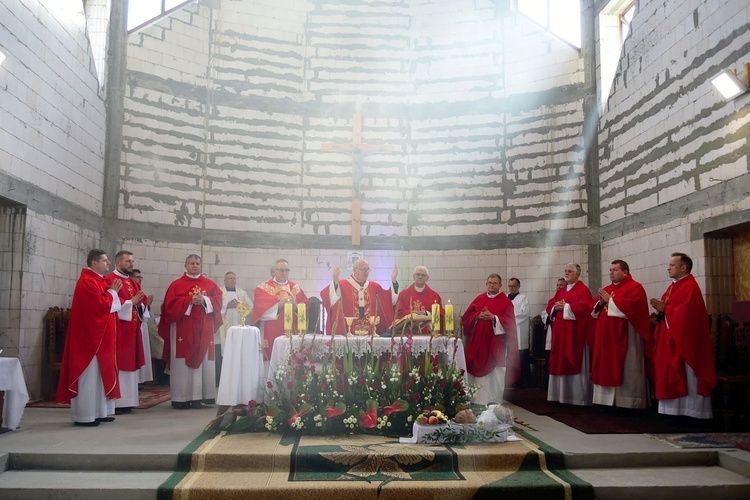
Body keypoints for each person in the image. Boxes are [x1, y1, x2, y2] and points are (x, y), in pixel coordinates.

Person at [56, 249, 122, 426]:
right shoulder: (86, 282)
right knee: (88, 377)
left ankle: (100, 412)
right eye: (105, 260)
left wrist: (111, 293)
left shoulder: (98, 281)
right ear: (94, 263)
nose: (108, 264)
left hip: (102, 338)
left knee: (100, 376)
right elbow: (98, 306)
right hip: (89, 339)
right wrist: (113, 293)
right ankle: (84, 416)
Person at [649, 253, 716, 419]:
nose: (668, 268)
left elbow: (686, 317)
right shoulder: (674, 286)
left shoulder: (690, 287)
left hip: (685, 344)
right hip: (670, 340)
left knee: (688, 378)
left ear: (683, 267)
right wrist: (660, 312)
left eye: (672, 265)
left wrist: (665, 310)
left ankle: (691, 413)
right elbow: (667, 310)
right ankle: (673, 413)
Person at [159, 254, 223, 409]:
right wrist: (189, 301)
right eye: (192, 263)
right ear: (185, 266)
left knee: (204, 361)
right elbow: (169, 307)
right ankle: (181, 398)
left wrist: (206, 300)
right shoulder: (176, 285)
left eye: (198, 263)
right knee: (182, 362)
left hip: (204, 329)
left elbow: (219, 301)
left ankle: (201, 397)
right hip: (183, 329)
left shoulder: (210, 284)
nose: (195, 266)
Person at [590, 260, 653, 409]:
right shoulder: (607, 288)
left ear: (625, 272)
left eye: (615, 270)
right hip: (607, 339)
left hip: (627, 336)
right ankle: (605, 401)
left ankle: (629, 401)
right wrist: (600, 303)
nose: (611, 273)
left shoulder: (635, 287)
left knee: (627, 366)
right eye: (610, 270)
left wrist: (610, 300)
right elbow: (593, 309)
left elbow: (634, 308)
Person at [462, 274, 520, 405]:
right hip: (478, 344)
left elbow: (510, 323)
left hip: (495, 345)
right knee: (475, 373)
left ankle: (492, 402)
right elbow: (466, 318)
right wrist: (478, 315)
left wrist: (494, 318)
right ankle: (475, 400)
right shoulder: (479, 299)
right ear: (486, 284)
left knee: (495, 374)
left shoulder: (506, 302)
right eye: (489, 283)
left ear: (500, 285)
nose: (491, 285)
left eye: (494, 283)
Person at [106, 252, 149, 415]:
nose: (131, 264)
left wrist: (139, 305)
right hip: (118, 330)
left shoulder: (133, 282)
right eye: (127, 261)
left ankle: (128, 401)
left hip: (132, 330)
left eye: (132, 261)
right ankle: (117, 402)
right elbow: (108, 303)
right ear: (118, 262)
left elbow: (141, 303)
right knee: (120, 363)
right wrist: (130, 302)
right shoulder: (110, 280)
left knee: (130, 364)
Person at [546, 263, 594, 406]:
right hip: (560, 333)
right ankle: (559, 396)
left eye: (570, 271)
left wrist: (566, 307)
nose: (567, 273)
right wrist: (556, 307)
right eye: (566, 271)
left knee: (575, 360)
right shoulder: (562, 290)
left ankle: (577, 398)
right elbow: (551, 304)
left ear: (577, 274)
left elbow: (585, 308)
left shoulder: (583, 290)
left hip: (575, 334)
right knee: (559, 361)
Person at [321, 259, 398, 336]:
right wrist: (335, 282)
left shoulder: (375, 287)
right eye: (363, 269)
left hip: (370, 336)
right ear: (354, 270)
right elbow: (330, 299)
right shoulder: (342, 285)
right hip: (347, 337)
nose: (366, 272)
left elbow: (389, 300)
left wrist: (394, 281)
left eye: (368, 269)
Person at [252, 259, 308, 360]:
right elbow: (260, 311)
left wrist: (296, 307)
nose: (284, 273)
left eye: (287, 270)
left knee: (291, 361)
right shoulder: (263, 288)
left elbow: (305, 308)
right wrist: (278, 305)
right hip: (271, 331)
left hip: (292, 332)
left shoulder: (295, 288)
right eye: (281, 270)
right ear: (275, 271)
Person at [217, 271, 252, 383]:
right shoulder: (219, 291)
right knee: (223, 350)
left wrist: (240, 305)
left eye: (234, 278)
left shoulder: (242, 293)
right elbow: (215, 306)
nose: (232, 280)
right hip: (223, 328)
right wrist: (227, 305)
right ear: (225, 280)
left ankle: (237, 377)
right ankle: (222, 378)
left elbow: (250, 307)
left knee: (237, 350)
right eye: (230, 278)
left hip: (238, 325)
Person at [393, 266, 442, 335]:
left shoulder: (434, 296)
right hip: (407, 333)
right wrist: (412, 312)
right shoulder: (403, 294)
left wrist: (426, 313)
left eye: (423, 275)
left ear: (427, 278)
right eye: (418, 274)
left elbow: (440, 314)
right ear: (414, 276)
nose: (420, 277)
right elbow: (398, 312)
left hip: (427, 333)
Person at [131, 269, 155, 385]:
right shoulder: (130, 290)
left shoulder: (140, 291)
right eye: (137, 277)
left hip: (142, 326)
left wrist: (147, 306)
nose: (140, 279)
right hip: (132, 326)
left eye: (141, 277)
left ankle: (140, 380)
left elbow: (146, 315)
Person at [507, 278, 531, 388]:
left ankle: (523, 382)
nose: (511, 288)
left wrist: (509, 320)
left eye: (514, 286)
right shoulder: (505, 298)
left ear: (518, 286)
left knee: (521, 358)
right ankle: (510, 380)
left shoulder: (523, 298)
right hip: (508, 332)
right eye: (510, 286)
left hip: (519, 331)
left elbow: (523, 313)